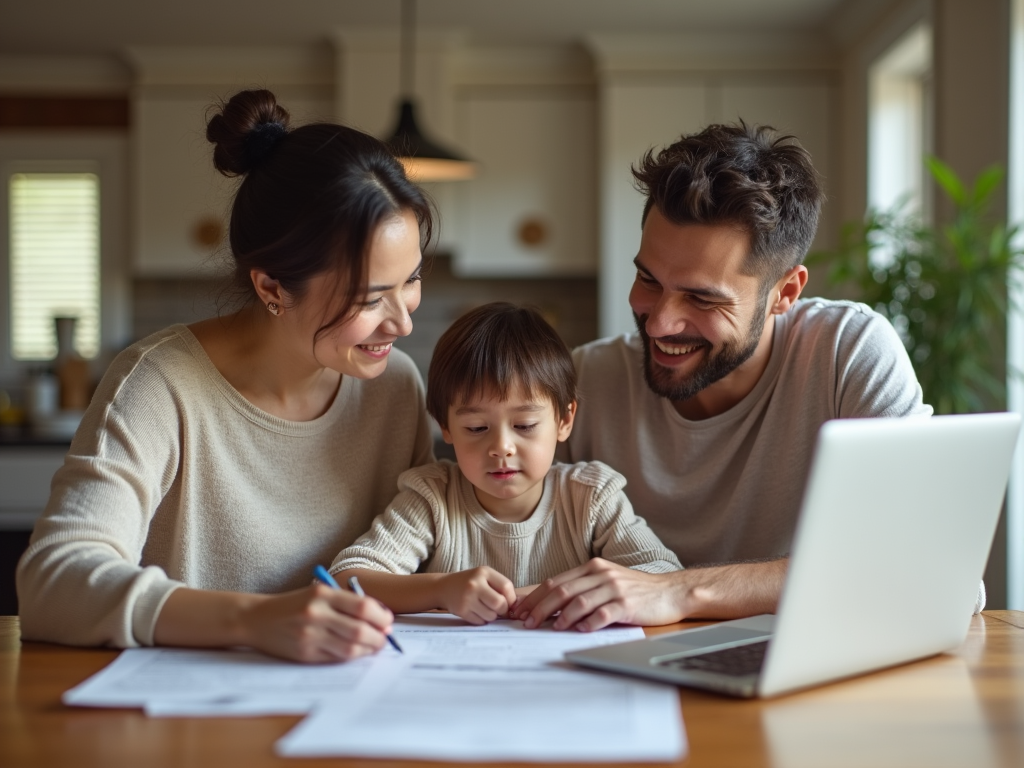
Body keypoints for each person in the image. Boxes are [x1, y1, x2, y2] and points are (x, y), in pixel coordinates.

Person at [16, 89, 435, 662]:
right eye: (371, 298)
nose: (404, 322)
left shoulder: (394, 387)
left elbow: (431, 546)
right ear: (272, 289)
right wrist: (254, 618)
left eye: (411, 279)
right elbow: (51, 582)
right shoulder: (158, 384)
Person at [512, 122, 934, 632]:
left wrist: (678, 590)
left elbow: (928, 569)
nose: (660, 321)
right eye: (648, 279)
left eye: (702, 297)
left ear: (785, 293)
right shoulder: (587, 381)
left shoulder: (848, 352)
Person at [332, 302, 681, 624]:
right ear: (446, 427)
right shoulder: (432, 497)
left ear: (564, 420)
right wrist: (441, 589)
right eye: (476, 428)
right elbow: (346, 578)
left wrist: (544, 596)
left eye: (524, 426)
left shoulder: (592, 496)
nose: (501, 447)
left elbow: (665, 576)